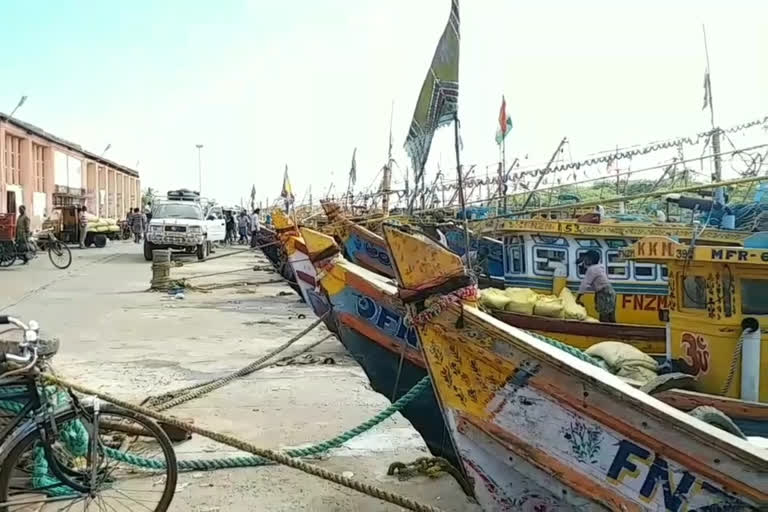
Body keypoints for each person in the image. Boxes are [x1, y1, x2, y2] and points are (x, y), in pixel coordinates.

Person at [577, 250, 616, 323]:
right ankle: (613, 331)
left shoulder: (592, 269)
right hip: (610, 291)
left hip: (604, 293)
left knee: (603, 315)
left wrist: (578, 297)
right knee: (610, 315)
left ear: (590, 260)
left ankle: (604, 331)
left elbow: (585, 284)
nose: (584, 260)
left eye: (586, 259)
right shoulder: (599, 267)